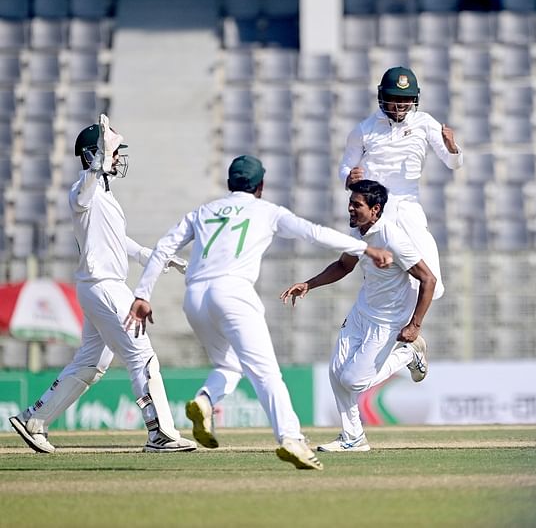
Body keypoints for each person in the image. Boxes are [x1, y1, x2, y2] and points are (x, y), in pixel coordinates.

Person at [125, 156, 394, 470]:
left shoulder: (203, 211)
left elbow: (163, 248)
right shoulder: (267, 211)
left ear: (229, 183)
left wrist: (142, 293)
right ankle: (292, 439)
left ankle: (205, 400)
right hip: (233, 293)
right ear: (261, 186)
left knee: (229, 364)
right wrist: (365, 248)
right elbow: (314, 233)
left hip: (195, 296)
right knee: (266, 373)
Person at [9, 114, 196, 453]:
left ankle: (34, 421)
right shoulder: (83, 190)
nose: (118, 157)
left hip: (101, 286)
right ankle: (160, 434)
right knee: (141, 354)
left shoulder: (105, 196)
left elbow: (115, 240)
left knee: (92, 363)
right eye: (113, 151)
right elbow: (81, 197)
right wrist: (96, 161)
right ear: (94, 155)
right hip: (104, 285)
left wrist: (153, 256)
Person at [281, 180, 436, 452]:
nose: (350, 209)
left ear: (375, 209)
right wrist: (309, 284)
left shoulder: (392, 238)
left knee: (354, 380)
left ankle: (409, 354)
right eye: (350, 203)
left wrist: (415, 325)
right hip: (362, 311)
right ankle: (353, 437)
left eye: (357, 205)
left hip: (389, 320)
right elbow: (343, 265)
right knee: (336, 371)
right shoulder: (358, 235)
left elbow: (428, 279)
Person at [339, 66, 462, 301]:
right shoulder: (364, 130)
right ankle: (396, 330)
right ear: (382, 97)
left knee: (432, 281)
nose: (399, 106)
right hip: (374, 209)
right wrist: (348, 177)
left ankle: (412, 331)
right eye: (394, 99)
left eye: (405, 100)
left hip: (407, 204)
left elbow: (453, 163)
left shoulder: (425, 123)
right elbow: (345, 166)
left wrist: (452, 147)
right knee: (375, 275)